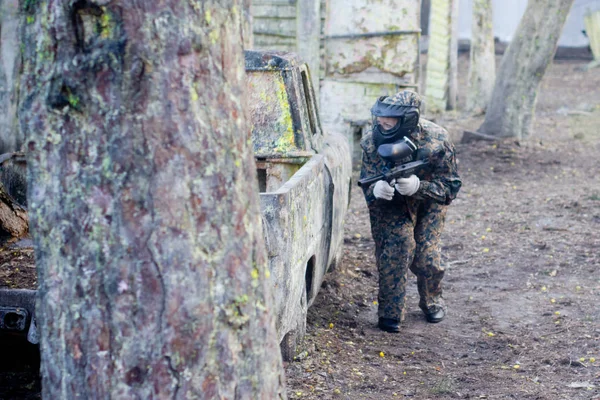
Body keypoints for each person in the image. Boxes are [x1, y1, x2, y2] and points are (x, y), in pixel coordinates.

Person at [359, 90, 462, 333]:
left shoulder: (437, 140)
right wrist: (376, 190)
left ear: (406, 120)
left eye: (389, 121)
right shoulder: (372, 141)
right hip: (392, 201)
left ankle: (432, 300)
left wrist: (420, 186)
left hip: (429, 201)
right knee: (397, 246)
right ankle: (390, 314)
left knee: (427, 256)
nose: (382, 124)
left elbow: (450, 187)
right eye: (380, 119)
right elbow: (365, 182)